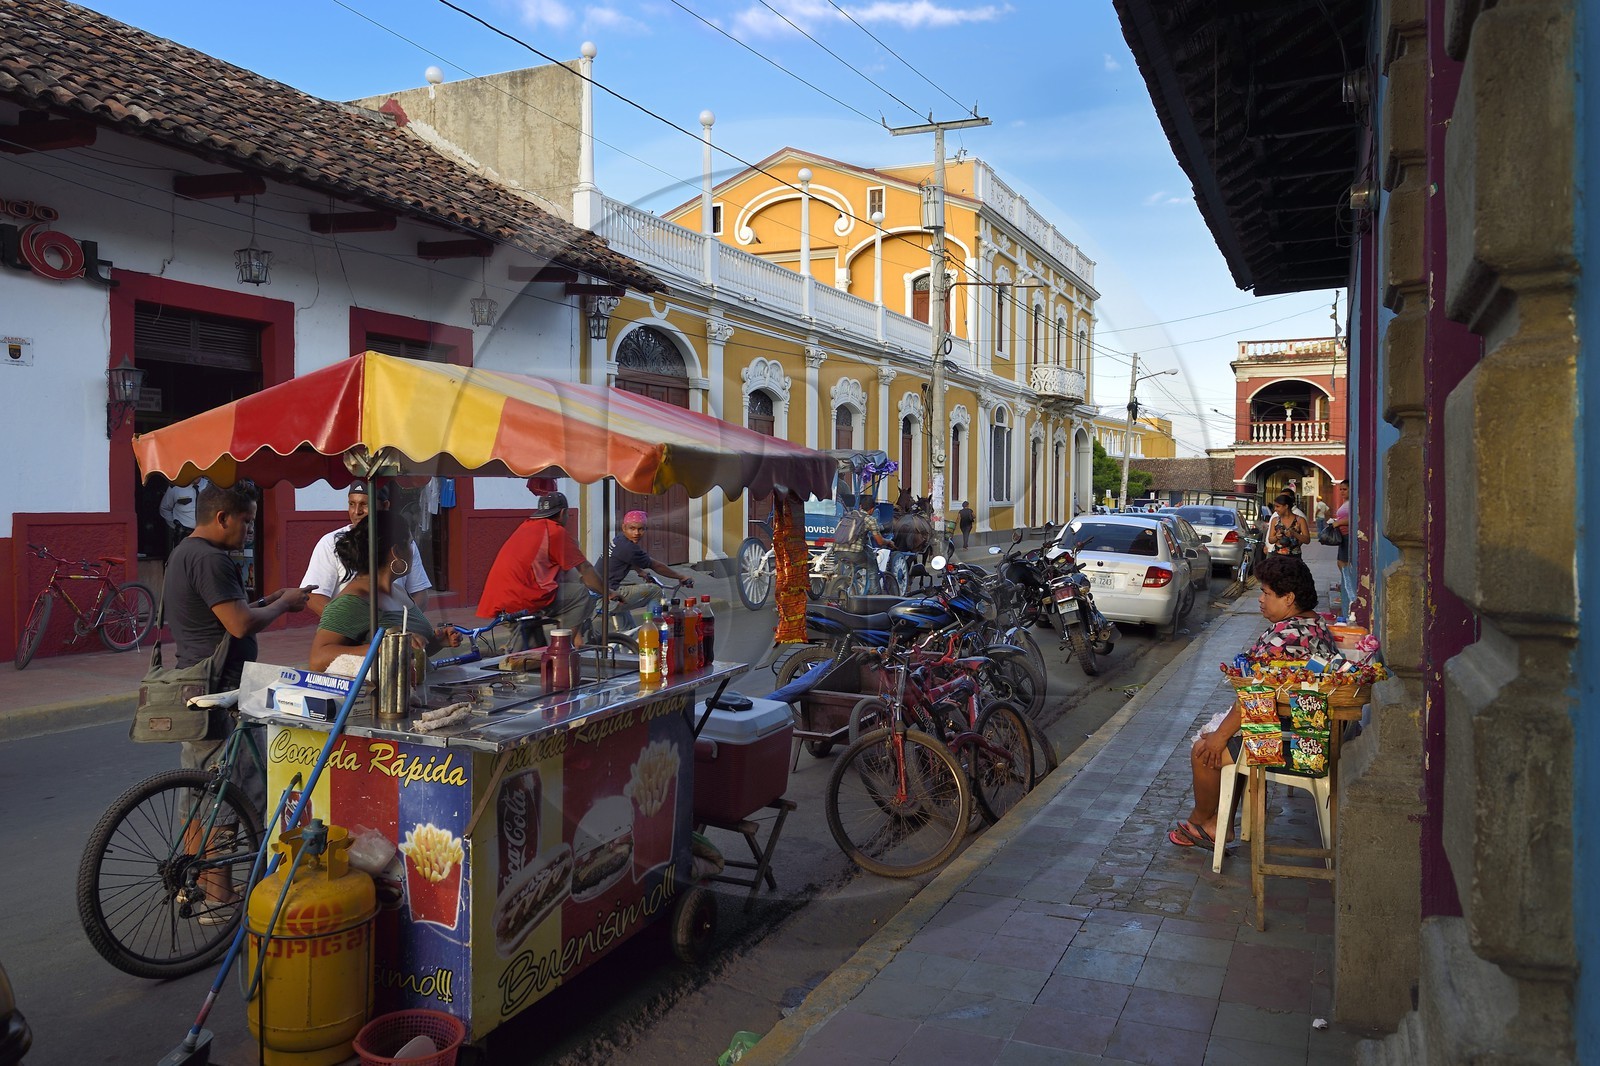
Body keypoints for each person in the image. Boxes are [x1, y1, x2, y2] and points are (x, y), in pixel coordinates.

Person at [164, 481, 312, 918]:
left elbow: (231, 611)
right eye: (246, 520)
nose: (250, 529)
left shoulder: (184, 553)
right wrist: (283, 607)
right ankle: (218, 894)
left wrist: (274, 598)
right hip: (223, 688)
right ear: (222, 517)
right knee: (228, 795)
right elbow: (239, 623)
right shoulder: (210, 559)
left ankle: (195, 883)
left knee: (197, 795)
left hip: (194, 682)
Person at [1168, 555, 1336, 848]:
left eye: (1267, 593)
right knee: (1221, 739)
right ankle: (1215, 821)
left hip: (1293, 741)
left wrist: (1220, 737)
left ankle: (1204, 823)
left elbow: (1255, 696)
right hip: (1307, 729)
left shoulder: (1284, 638)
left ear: (1289, 598)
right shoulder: (1315, 624)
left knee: (1204, 751)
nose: (1260, 599)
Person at [309, 512, 458, 672]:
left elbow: (406, 653)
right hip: (381, 695)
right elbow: (317, 660)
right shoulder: (353, 601)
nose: (412, 551)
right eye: (409, 543)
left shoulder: (399, 592)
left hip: (416, 692)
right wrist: (382, 647)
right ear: (396, 552)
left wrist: (437, 643)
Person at [477, 492, 608, 647]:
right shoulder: (555, 531)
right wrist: (607, 592)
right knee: (580, 595)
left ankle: (550, 652)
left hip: (501, 597)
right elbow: (585, 568)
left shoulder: (527, 526)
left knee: (536, 654)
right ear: (563, 513)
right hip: (521, 600)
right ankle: (563, 647)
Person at [301, 480, 431, 618]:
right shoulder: (331, 543)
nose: (357, 512)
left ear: (385, 506)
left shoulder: (403, 542)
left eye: (365, 504)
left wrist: (404, 624)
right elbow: (315, 597)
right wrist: (349, 626)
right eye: (351, 504)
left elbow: (419, 592)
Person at [604, 510, 695, 616]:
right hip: (607, 594)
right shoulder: (629, 548)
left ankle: (623, 632)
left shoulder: (619, 539)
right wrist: (681, 576)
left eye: (640, 529)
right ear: (624, 527)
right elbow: (656, 566)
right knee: (656, 591)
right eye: (632, 528)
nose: (636, 533)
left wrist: (640, 571)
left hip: (599, 591)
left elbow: (628, 559)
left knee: (627, 623)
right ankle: (653, 626)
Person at [158, 476, 208, 554]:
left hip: (206, 533)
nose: (195, 474)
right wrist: (176, 525)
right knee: (182, 560)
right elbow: (164, 508)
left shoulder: (209, 486)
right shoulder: (176, 487)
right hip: (184, 534)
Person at [1333, 484, 1355, 617]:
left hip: (1347, 536)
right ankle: (1344, 592)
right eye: (1340, 489)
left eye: (1345, 489)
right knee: (1341, 563)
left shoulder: (1353, 503)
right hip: (1343, 537)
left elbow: (1354, 518)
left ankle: (1348, 594)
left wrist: (1339, 523)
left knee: (1344, 564)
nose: (1342, 492)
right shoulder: (1346, 503)